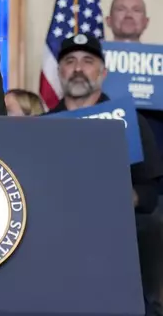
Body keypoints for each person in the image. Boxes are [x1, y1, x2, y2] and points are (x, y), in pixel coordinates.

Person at [47, 32, 163, 316]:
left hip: (119, 231)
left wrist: (122, 197)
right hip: (58, 233)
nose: (78, 68)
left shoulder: (131, 122)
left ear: (103, 72)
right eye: (70, 61)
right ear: (59, 71)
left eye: (88, 61)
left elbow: (150, 194)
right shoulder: (43, 126)